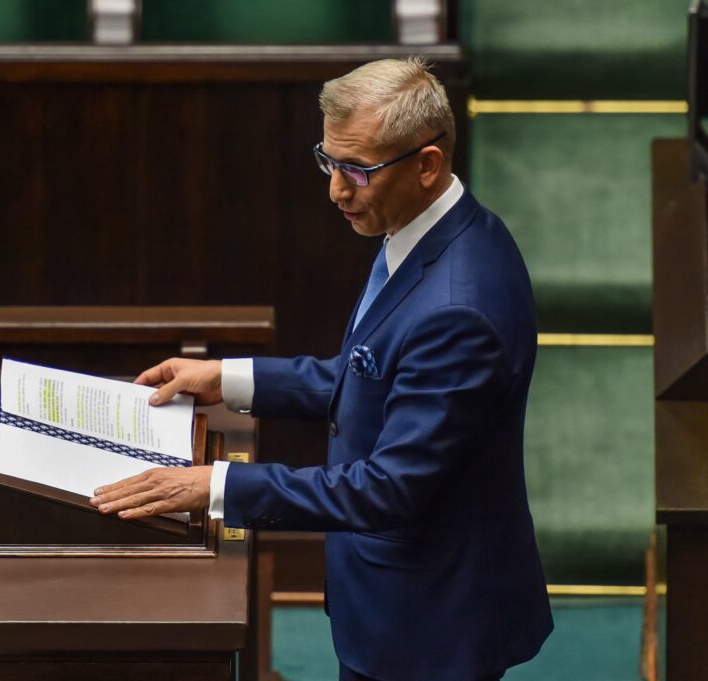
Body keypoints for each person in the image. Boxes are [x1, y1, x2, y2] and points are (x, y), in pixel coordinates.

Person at [90, 57, 553, 681]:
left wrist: (219, 487)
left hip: (430, 623)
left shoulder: (458, 308)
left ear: (427, 165)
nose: (336, 190)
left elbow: (389, 488)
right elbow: (376, 373)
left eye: (357, 170)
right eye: (328, 162)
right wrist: (230, 378)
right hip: (396, 599)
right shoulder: (429, 229)